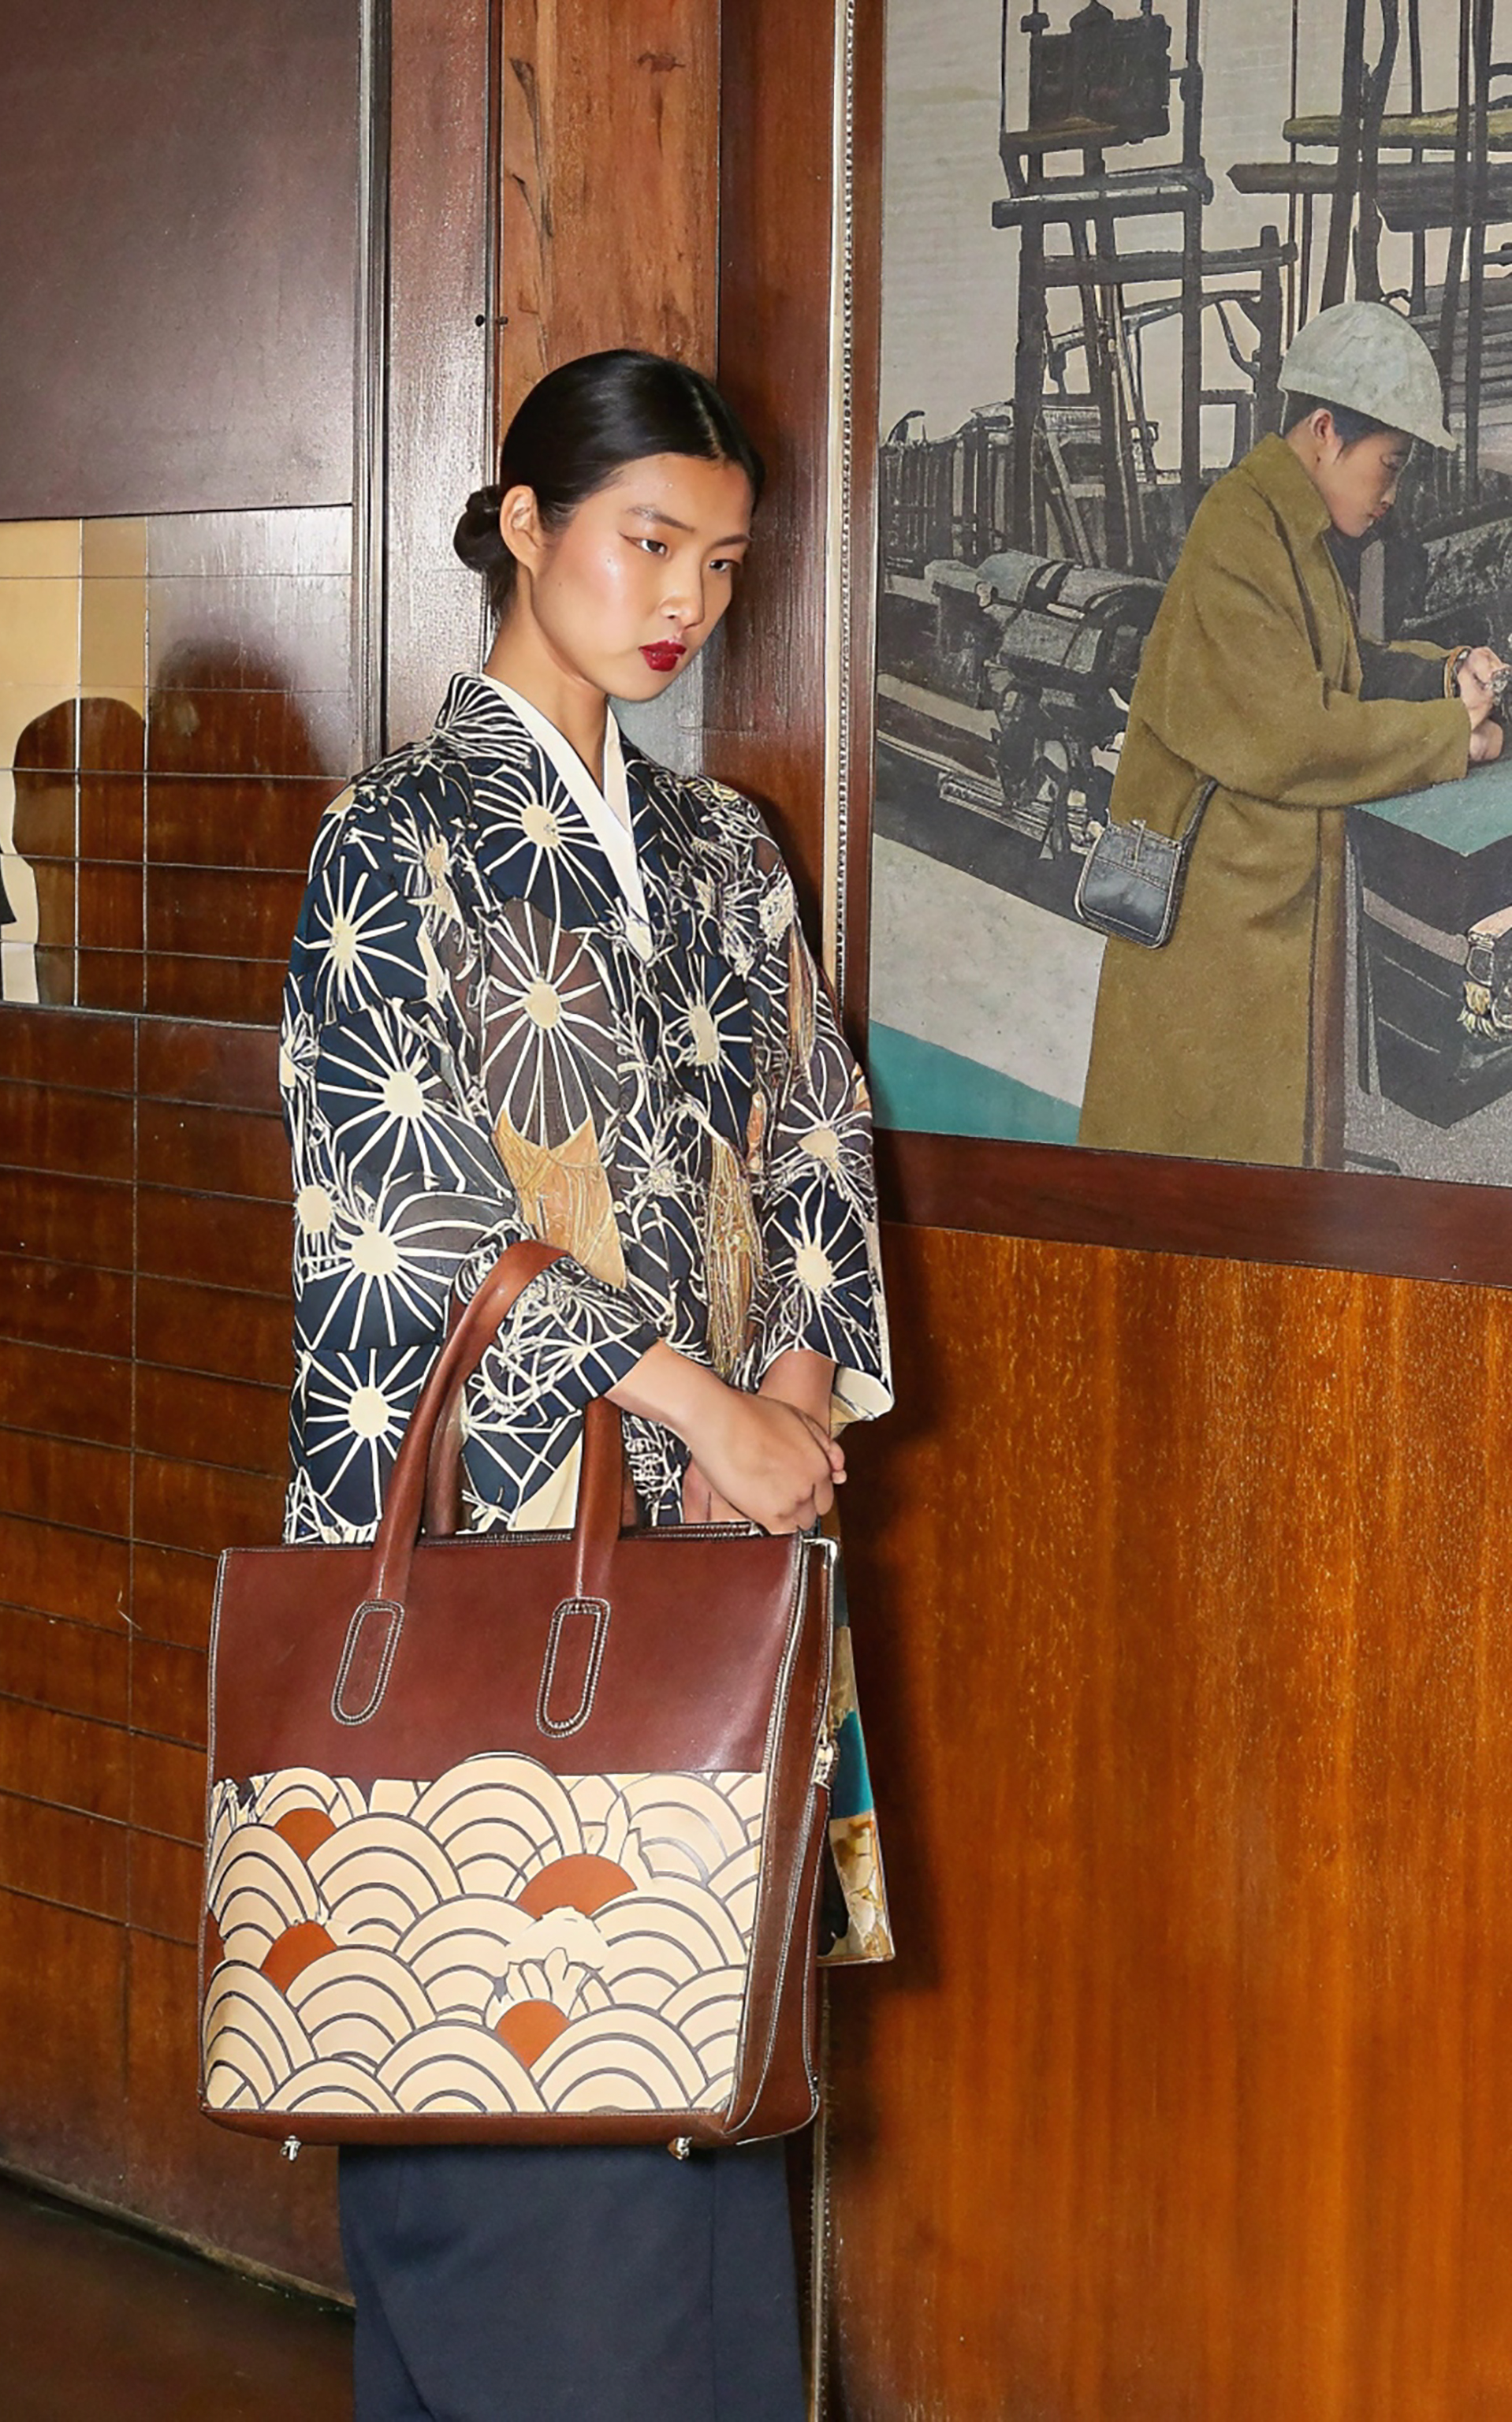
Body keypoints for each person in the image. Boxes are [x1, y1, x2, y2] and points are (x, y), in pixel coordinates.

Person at [278, 349, 892, 2421]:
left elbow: (815, 1132)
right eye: (647, 544)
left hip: (716, 1564)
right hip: (496, 1553)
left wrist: (791, 1390)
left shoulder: (727, 847)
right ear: (526, 527)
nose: (684, 601)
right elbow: (407, 1203)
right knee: (511, 2104)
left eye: (721, 564)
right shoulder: (395, 841)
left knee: (701, 2091)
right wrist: (688, 1406)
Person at [1076, 300, 1507, 1168]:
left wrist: (1444, 669)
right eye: (1385, 467)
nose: (1389, 495)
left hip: (1254, 903)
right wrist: (1445, 739)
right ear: (1323, 433)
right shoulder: (1239, 533)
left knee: (1254, 1157)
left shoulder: (1289, 531)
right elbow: (1285, 734)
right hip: (1218, 920)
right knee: (1200, 1172)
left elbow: (1336, 669)